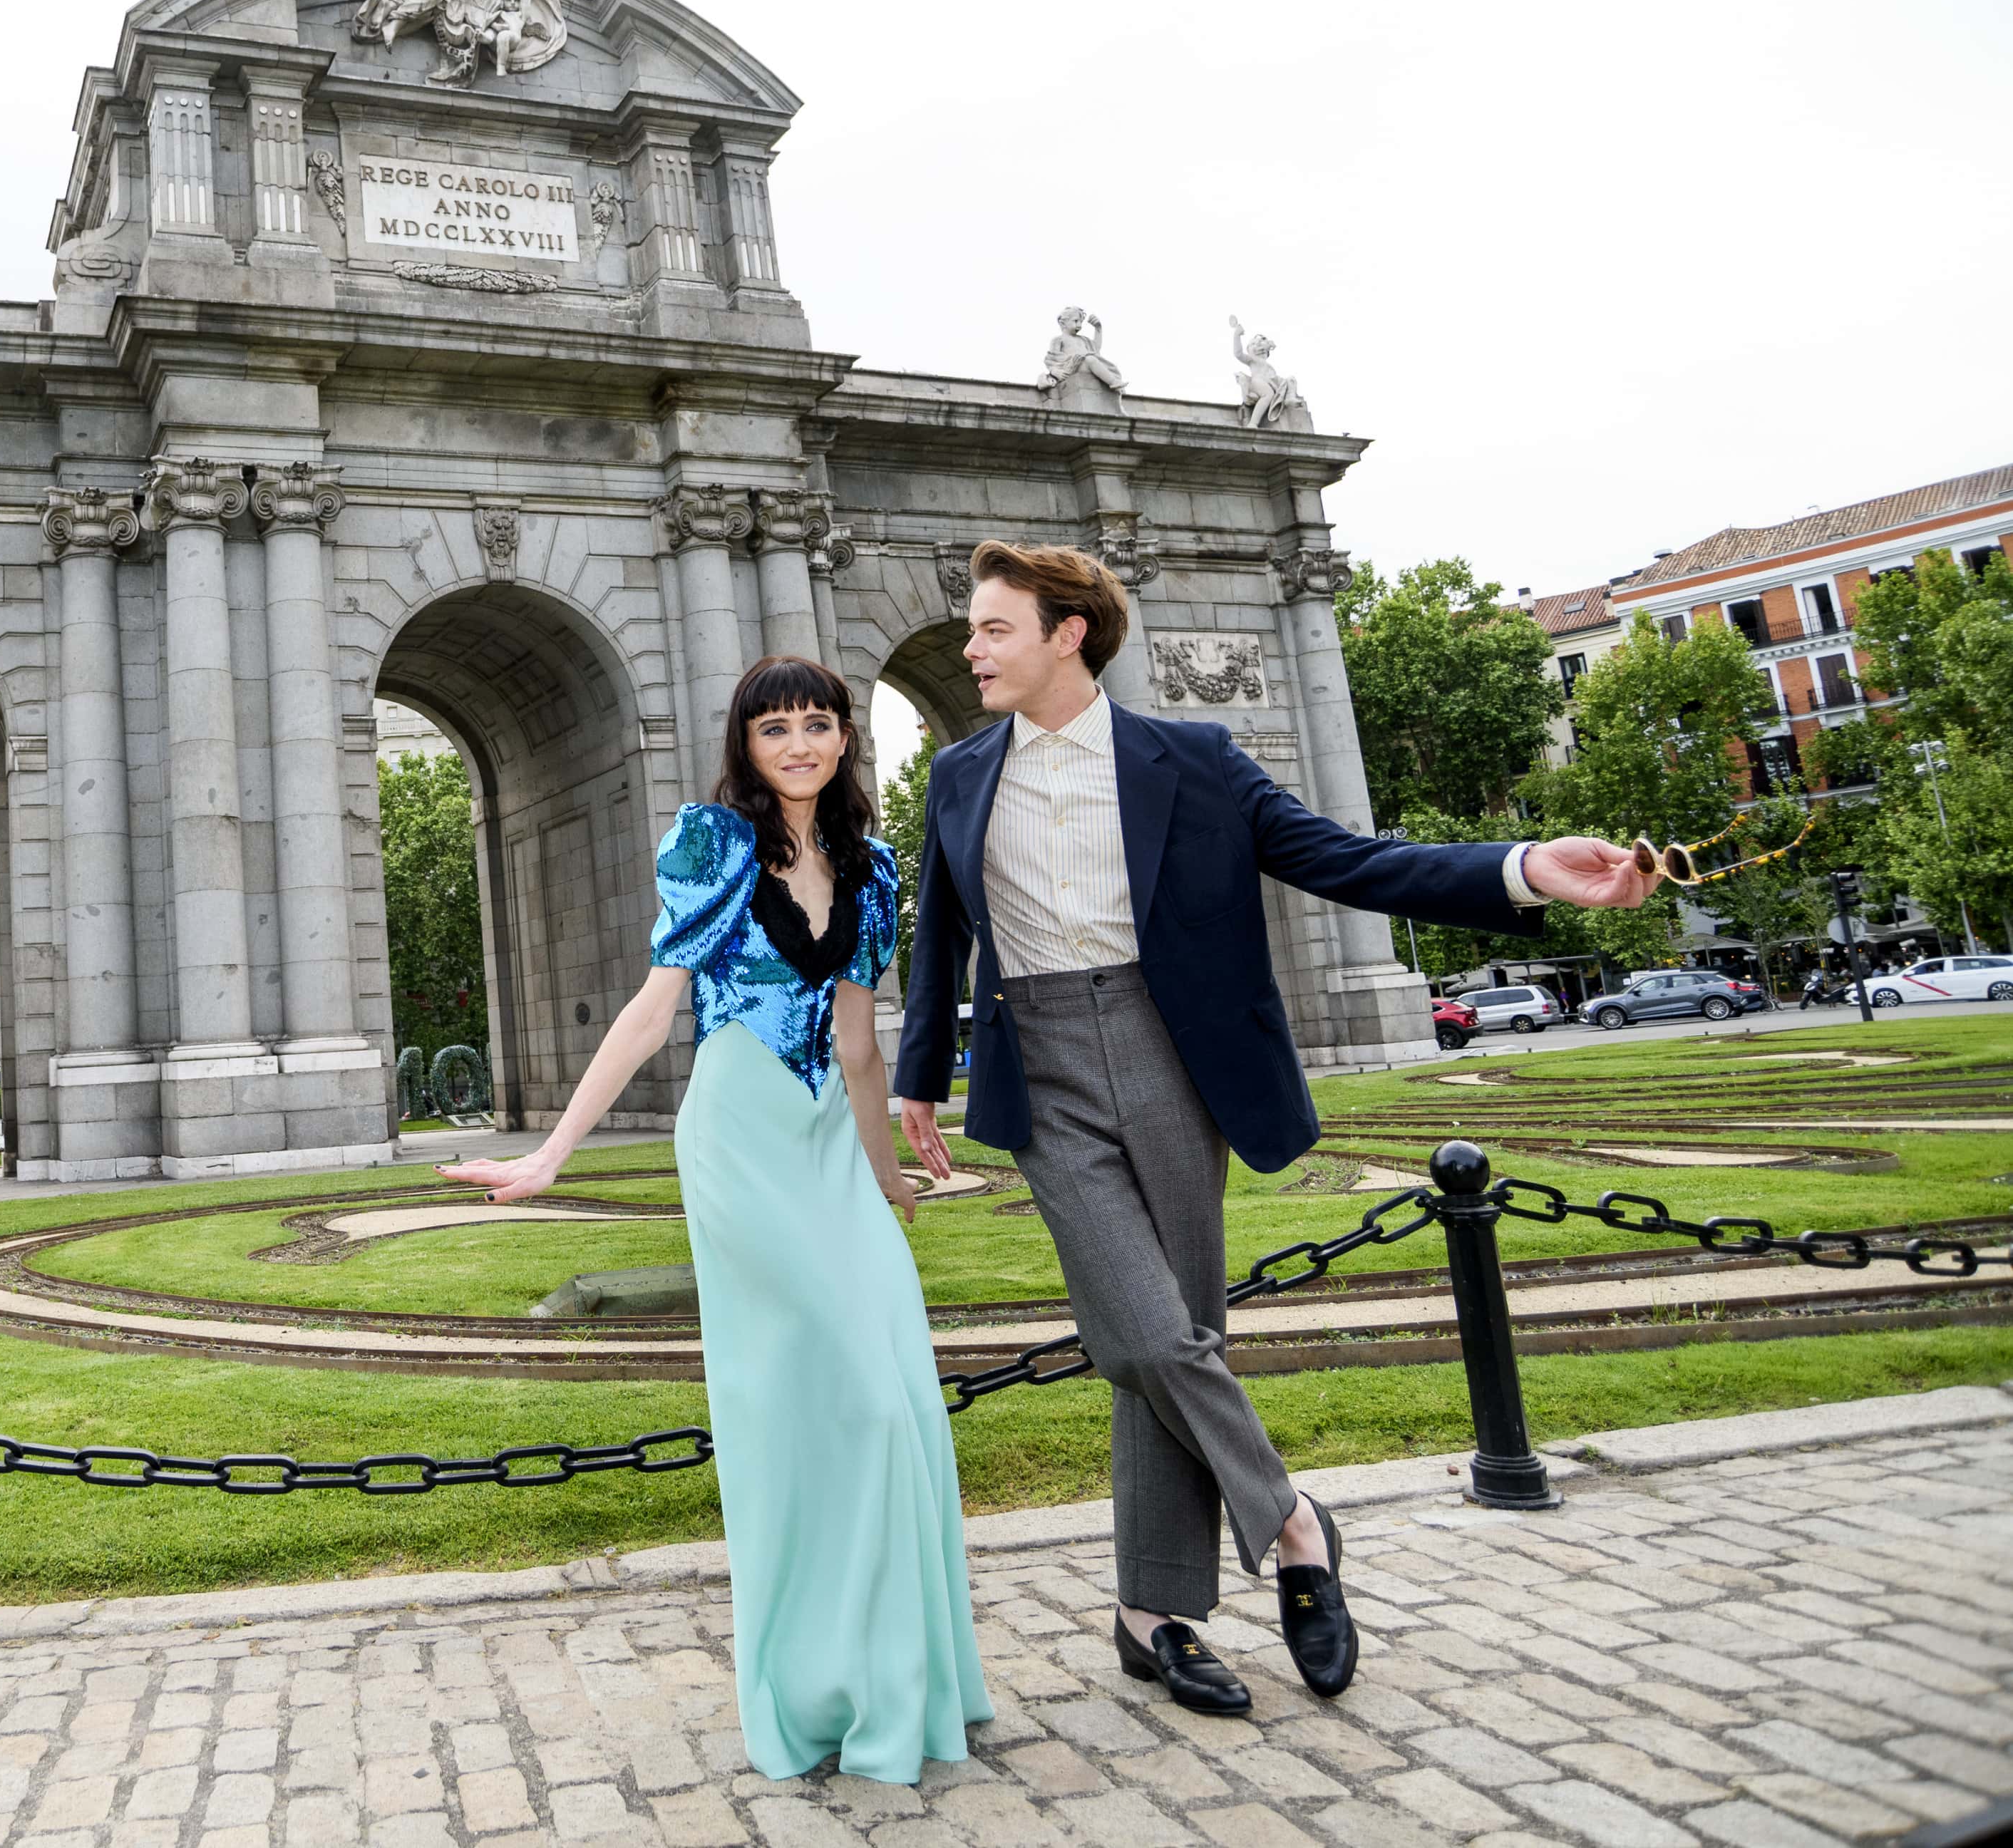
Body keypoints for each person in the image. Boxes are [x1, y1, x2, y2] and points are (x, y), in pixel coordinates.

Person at [892, 541, 1653, 1715]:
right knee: (1142, 1335)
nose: (971, 649)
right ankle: (1294, 1524)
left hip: (1171, 1054)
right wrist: (921, 1074)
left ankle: (1154, 1614)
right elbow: (937, 929)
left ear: (1066, 635)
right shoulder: (956, 773)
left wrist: (1524, 870)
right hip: (1037, 1065)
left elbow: (1348, 861)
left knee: (1177, 1329)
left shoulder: (1190, 759)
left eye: (993, 628)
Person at [442, 655, 988, 1784]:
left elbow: (857, 1042)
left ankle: (904, 1678)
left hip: (837, 1145)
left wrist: (886, 1178)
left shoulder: (879, 870)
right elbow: (654, 1011)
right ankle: (817, 1690)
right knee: (824, 1405)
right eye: (774, 727)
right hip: (739, 1140)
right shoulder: (714, 846)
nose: (798, 743)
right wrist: (552, 1153)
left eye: (818, 724)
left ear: (846, 738)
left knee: (898, 1406)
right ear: (746, 745)